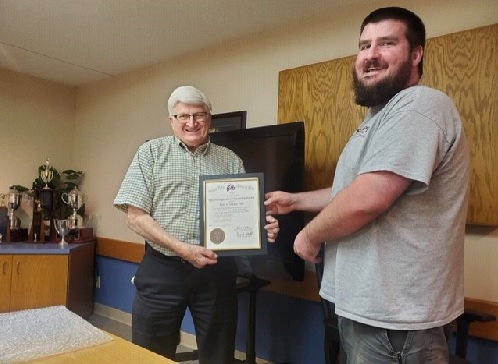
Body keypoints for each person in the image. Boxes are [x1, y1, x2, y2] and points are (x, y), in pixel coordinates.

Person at [265, 7, 470, 363]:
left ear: (416, 53)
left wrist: (309, 235)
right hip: (364, 311)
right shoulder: (377, 120)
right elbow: (353, 188)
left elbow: (369, 197)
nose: (370, 55)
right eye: (364, 46)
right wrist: (296, 200)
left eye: (386, 43)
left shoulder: (419, 105)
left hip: (395, 321)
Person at [114, 85, 279, 364]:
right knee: (148, 355)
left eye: (199, 115)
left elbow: (243, 213)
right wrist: (182, 249)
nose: (192, 123)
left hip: (216, 273)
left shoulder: (230, 160)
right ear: (172, 121)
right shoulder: (150, 154)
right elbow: (136, 217)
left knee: (219, 355)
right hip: (162, 270)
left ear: (209, 118)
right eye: (183, 116)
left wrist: (263, 228)